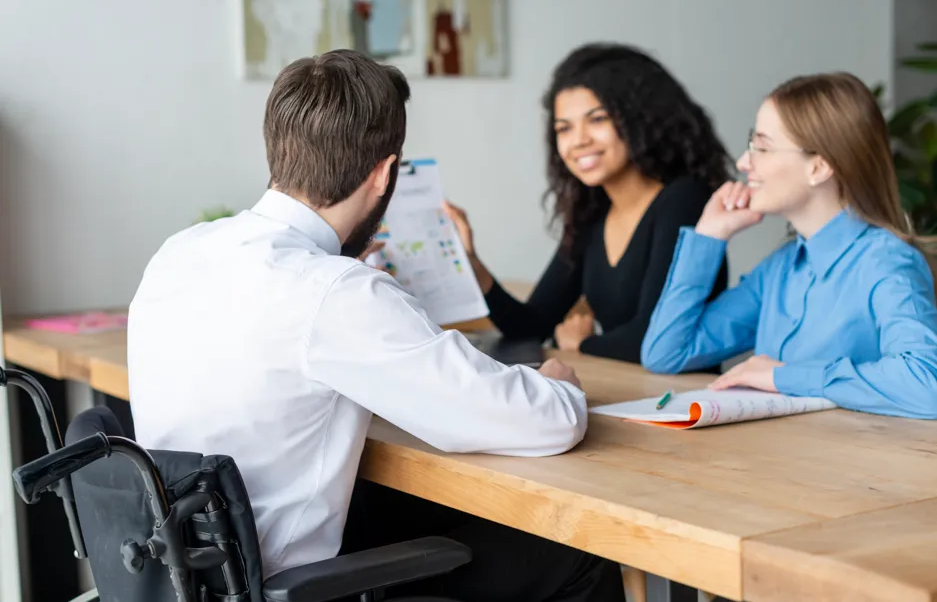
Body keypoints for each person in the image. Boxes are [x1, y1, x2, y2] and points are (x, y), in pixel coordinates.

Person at [127, 50, 626, 601]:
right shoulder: (336, 292)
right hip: (293, 586)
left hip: (192, 576)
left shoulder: (180, 253)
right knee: (580, 551)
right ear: (387, 173)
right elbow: (541, 424)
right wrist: (557, 385)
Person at [641, 71, 937, 420]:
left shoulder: (885, 262)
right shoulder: (780, 269)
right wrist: (708, 236)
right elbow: (666, 354)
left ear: (819, 167)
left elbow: (927, 385)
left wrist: (783, 376)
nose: (743, 163)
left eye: (762, 148)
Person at [445, 43, 731, 364]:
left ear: (639, 119)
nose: (579, 140)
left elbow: (654, 336)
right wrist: (474, 267)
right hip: (626, 387)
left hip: (679, 392)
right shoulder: (592, 216)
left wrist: (584, 343)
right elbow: (531, 325)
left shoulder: (684, 199)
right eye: (564, 128)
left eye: (597, 119)